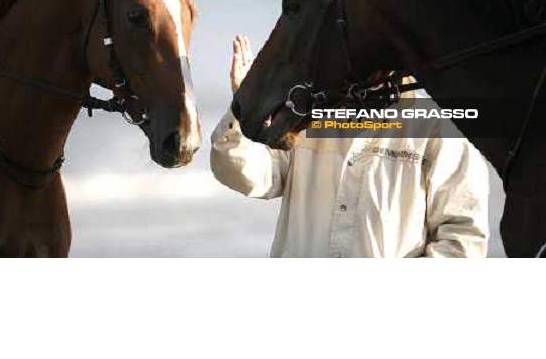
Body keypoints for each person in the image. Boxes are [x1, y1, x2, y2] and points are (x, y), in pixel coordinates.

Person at [210, 35, 490, 258]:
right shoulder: (307, 115)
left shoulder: (438, 129)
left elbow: (463, 237)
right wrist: (245, 107)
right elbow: (255, 175)